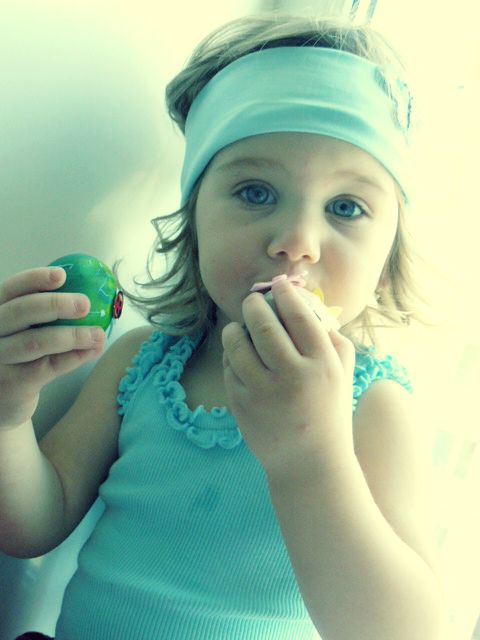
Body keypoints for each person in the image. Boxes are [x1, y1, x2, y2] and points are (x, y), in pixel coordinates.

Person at [0, 13, 445, 640]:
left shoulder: (371, 404)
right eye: (256, 192)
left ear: (388, 255)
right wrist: (8, 416)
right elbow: (30, 527)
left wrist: (310, 455)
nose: (297, 241)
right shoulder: (142, 365)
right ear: (194, 220)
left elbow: (408, 631)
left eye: (346, 207)